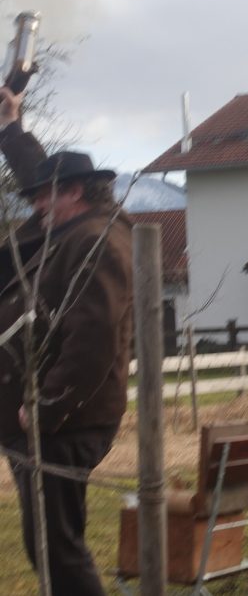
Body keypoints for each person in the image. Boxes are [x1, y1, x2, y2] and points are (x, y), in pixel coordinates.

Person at [0, 87, 133, 595]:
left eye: (41, 197)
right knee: (50, 547)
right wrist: (12, 129)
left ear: (74, 192)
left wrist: (47, 407)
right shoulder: (73, 226)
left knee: (57, 550)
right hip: (47, 424)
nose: (35, 207)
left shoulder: (97, 241)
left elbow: (93, 337)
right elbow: (43, 178)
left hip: (60, 424)